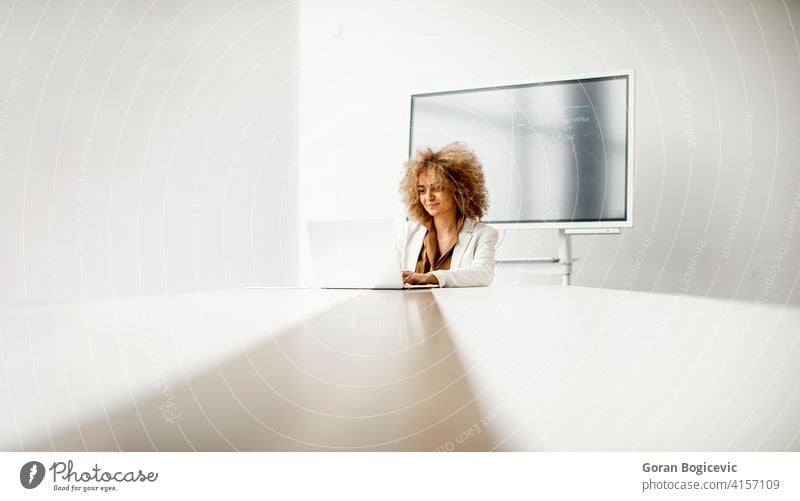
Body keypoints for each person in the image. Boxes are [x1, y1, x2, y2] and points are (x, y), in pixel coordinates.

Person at [399, 142, 498, 287]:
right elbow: (390, 274)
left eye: (437, 188)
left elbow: (483, 274)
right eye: (422, 190)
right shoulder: (408, 232)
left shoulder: (484, 234)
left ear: (458, 190)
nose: (428, 197)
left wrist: (432, 277)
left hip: (458, 309)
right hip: (412, 308)